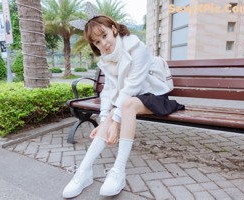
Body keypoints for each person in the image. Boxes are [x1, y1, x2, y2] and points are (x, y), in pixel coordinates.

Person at [63, 4, 184, 199]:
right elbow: (109, 91)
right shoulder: (106, 59)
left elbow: (132, 88)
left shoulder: (137, 48)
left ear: (113, 28)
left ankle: (118, 171)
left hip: (155, 96)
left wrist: (115, 123)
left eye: (104, 36)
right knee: (116, 110)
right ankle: (83, 172)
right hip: (131, 99)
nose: (103, 43)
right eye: (97, 42)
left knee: (124, 106)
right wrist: (104, 120)